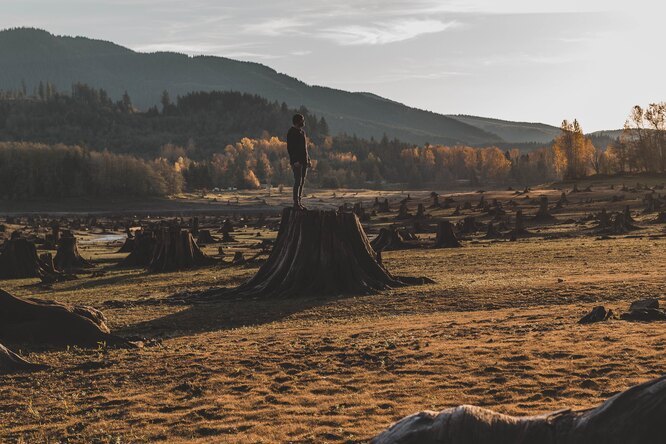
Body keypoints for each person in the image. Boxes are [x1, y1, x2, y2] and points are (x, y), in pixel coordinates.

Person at [287, 113, 310, 209]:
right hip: (297, 162)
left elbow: (305, 148)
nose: (303, 122)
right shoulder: (291, 132)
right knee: (298, 181)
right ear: (298, 121)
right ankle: (296, 203)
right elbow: (290, 148)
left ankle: (299, 202)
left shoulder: (302, 132)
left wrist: (308, 159)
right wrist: (294, 161)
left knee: (302, 182)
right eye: (302, 120)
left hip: (304, 161)